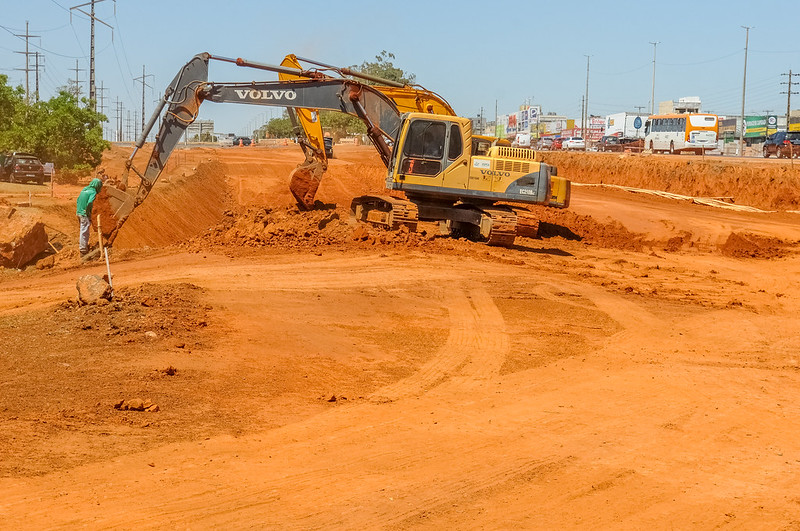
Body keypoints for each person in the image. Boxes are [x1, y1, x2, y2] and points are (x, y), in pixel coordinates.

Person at [76, 176, 104, 256]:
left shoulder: (84, 189)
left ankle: (84, 246)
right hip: (84, 214)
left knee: (82, 230)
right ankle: (83, 250)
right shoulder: (93, 192)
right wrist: (88, 212)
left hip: (79, 212)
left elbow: (78, 200)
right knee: (84, 231)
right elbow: (90, 203)